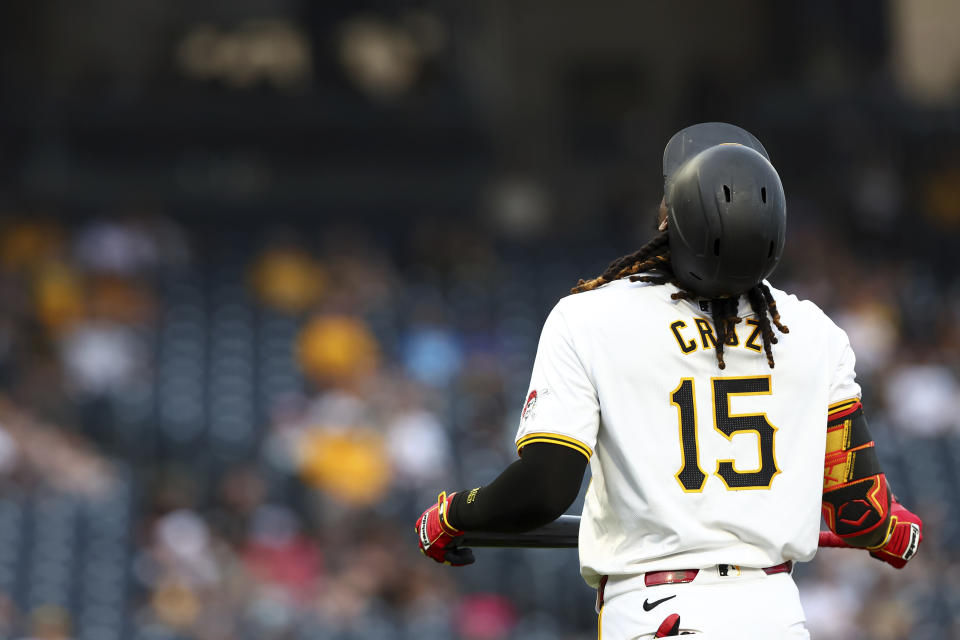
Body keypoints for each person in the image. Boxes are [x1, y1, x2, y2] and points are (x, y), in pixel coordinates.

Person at [414, 123, 922, 639]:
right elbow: (859, 510)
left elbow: (545, 491)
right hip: (776, 615)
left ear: (672, 219)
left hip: (655, 610)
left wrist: (455, 514)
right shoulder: (816, 333)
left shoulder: (590, 316)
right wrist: (896, 528)